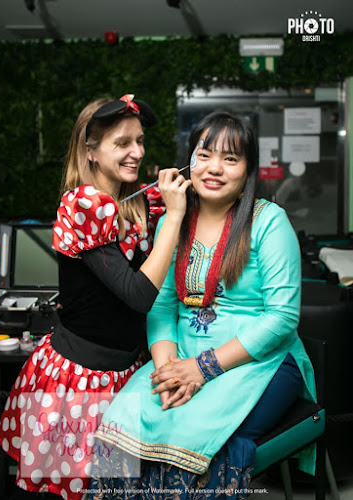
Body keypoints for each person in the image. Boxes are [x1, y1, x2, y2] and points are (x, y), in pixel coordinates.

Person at [88, 111, 317, 500]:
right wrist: (168, 372)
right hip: (180, 358)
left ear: (248, 169)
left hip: (259, 361)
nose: (215, 168)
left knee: (201, 433)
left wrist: (202, 368)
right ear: (188, 161)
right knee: (121, 419)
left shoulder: (268, 222)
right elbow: (161, 308)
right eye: (205, 154)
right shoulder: (172, 222)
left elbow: (281, 318)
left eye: (231, 158)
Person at [0, 94, 191, 500]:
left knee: (115, 489)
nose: (136, 152)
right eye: (122, 143)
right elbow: (138, 295)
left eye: (139, 141)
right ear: (91, 150)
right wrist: (173, 216)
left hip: (122, 373)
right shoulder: (83, 203)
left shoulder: (132, 202)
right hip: (79, 382)